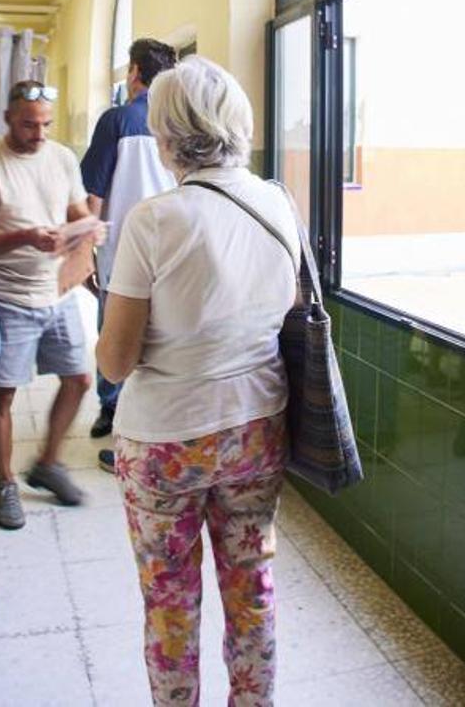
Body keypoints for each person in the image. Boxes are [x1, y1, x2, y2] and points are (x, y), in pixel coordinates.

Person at [97, 56, 299, 706]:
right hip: (257, 430)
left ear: (164, 135)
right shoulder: (277, 202)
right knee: (253, 592)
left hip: (165, 443)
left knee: (171, 608)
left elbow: (114, 362)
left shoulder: (156, 220)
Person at [0, 80, 101, 528]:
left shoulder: (62, 157)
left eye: (46, 124)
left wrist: (88, 227)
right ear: (8, 118)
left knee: (80, 379)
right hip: (7, 296)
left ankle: (48, 462)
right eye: (29, 125)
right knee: (3, 393)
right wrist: (25, 236)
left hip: (57, 290)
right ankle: (6, 483)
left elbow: (75, 210)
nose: (40, 134)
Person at [80, 38, 176, 457]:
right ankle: (150, 417)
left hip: (120, 252)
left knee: (114, 332)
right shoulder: (178, 123)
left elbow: (93, 194)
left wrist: (85, 252)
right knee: (161, 333)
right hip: (171, 252)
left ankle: (112, 409)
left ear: (134, 71)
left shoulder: (116, 120)